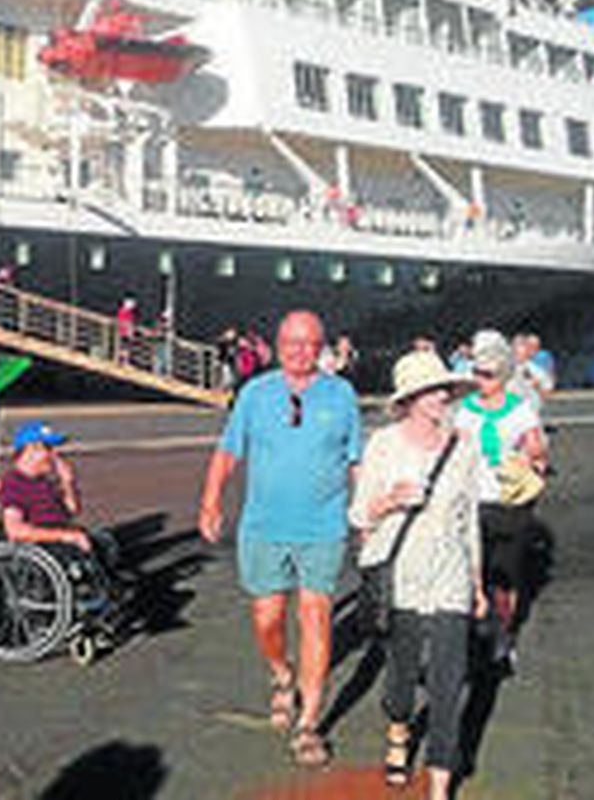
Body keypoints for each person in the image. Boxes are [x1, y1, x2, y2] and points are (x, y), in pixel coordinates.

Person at [198, 311, 361, 767]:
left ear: (322, 347)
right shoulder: (255, 393)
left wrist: (366, 514)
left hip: (323, 527)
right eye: (292, 342)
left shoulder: (341, 394)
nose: (300, 351)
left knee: (316, 616)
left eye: (310, 343)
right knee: (268, 619)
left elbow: (355, 460)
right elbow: (229, 449)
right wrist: (211, 501)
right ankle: (281, 673)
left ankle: (309, 722)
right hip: (264, 526)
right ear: (278, 343)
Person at [349, 351, 486, 796]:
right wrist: (390, 500)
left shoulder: (464, 447)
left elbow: (470, 521)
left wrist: (477, 582)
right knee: (402, 677)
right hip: (401, 574)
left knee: (449, 682)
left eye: (444, 388)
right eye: (431, 390)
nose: (442, 396)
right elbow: (358, 514)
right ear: (409, 399)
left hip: (452, 575)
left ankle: (440, 784)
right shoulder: (383, 445)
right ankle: (398, 731)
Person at [454, 329, 548, 670]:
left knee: (504, 577)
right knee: (469, 573)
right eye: (477, 373)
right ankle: (472, 634)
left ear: (504, 376)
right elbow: (455, 450)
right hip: (471, 501)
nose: (481, 380)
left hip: (509, 502)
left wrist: (531, 458)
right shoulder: (463, 411)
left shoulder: (520, 411)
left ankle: (504, 636)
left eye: (489, 375)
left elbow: (537, 449)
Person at [0, 420, 116, 569]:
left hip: (58, 536)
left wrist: (68, 483)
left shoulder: (44, 481)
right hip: (41, 546)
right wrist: (65, 536)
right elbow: (15, 530)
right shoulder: (14, 484)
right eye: (48, 448)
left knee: (106, 541)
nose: (55, 454)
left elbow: (72, 510)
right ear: (30, 451)